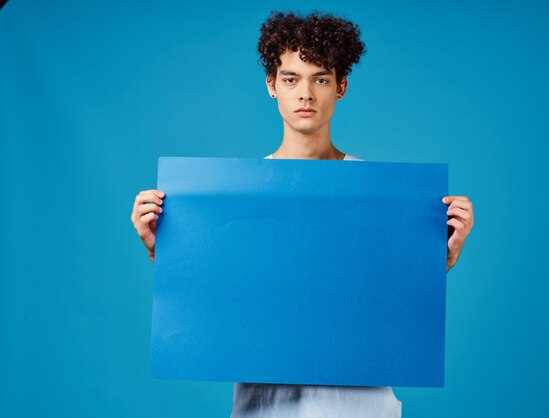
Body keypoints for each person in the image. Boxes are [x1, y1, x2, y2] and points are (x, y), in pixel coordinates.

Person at [130, 11, 474, 418]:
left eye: (321, 79)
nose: (305, 94)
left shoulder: (387, 197)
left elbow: (388, 298)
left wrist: (440, 260)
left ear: (341, 87)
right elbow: (220, 299)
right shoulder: (230, 197)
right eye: (291, 79)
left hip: (362, 409)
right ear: (271, 86)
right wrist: (168, 251)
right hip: (264, 409)